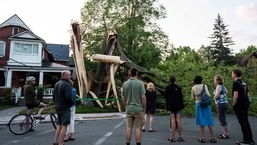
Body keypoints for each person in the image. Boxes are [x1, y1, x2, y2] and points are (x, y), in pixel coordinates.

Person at [121, 67, 146, 145]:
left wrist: (125, 105)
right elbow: (143, 97)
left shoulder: (125, 84)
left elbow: (123, 97)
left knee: (129, 128)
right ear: (137, 74)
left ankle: (127, 143)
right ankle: (138, 143)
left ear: (129, 74)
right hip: (138, 108)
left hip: (129, 108)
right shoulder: (140, 83)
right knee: (138, 128)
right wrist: (144, 107)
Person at [231, 69, 255, 145]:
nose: (231, 75)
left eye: (232, 73)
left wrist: (233, 104)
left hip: (239, 105)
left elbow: (235, 96)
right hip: (245, 104)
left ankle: (246, 140)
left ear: (235, 74)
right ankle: (250, 139)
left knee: (242, 122)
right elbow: (248, 94)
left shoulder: (236, 83)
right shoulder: (244, 83)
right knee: (246, 121)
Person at [191, 76, 216, 143]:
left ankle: (203, 138)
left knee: (201, 120)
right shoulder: (204, 86)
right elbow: (208, 95)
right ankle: (212, 138)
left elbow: (192, 97)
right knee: (209, 119)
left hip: (198, 103)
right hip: (205, 104)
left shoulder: (193, 87)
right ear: (201, 80)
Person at [53, 70, 74, 145]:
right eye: (69, 75)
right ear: (64, 75)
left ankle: (55, 141)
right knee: (64, 126)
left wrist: (55, 103)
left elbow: (54, 96)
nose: (70, 76)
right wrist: (72, 103)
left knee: (59, 124)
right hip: (65, 107)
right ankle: (61, 143)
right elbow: (68, 97)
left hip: (58, 107)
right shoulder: (67, 85)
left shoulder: (57, 84)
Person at [165, 75, 184, 142]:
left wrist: (167, 107)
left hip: (171, 105)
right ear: (175, 80)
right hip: (178, 105)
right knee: (178, 120)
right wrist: (182, 106)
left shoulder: (167, 88)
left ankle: (172, 137)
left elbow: (166, 98)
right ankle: (180, 137)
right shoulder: (178, 87)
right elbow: (181, 98)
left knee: (173, 120)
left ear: (169, 80)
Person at [213, 75, 229, 139]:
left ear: (216, 80)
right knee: (223, 117)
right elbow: (226, 92)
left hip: (220, 104)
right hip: (225, 103)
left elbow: (217, 96)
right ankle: (225, 132)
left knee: (221, 118)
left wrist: (214, 95)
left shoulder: (218, 86)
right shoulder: (223, 86)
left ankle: (226, 133)